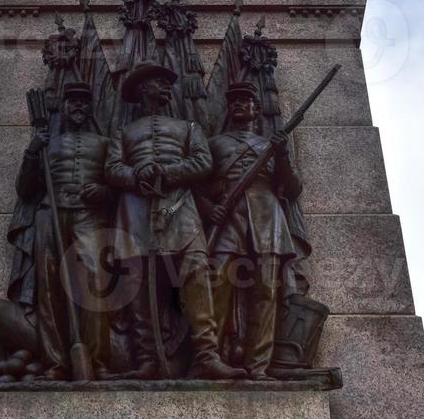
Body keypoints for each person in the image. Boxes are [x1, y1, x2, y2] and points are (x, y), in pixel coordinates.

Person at [105, 63, 244, 379]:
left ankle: (207, 355)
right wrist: (135, 174)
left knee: (196, 274)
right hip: (135, 211)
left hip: (180, 209)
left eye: (169, 83)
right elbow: (112, 169)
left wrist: (167, 173)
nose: (167, 87)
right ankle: (147, 359)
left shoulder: (188, 127)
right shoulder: (123, 133)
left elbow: (203, 161)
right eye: (159, 82)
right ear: (142, 88)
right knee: (138, 285)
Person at [199, 82, 302, 379]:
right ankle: (211, 360)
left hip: (267, 219)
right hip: (229, 218)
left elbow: (292, 190)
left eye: (246, 101)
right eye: (234, 101)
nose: (240, 105)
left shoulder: (271, 145)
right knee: (217, 282)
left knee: (266, 291)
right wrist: (209, 209)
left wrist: (281, 155)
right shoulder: (215, 144)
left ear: (257, 109)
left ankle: (258, 367)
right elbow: (197, 187)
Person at [14, 82, 114, 379]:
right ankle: (55, 362)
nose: (79, 107)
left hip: (89, 216)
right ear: (65, 108)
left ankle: (96, 361)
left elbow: (118, 184)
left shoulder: (104, 143)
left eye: (84, 102)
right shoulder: (47, 145)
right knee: (49, 288)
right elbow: (25, 189)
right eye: (73, 103)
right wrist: (32, 152)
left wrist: (105, 191)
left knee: (96, 281)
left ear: (91, 107)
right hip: (51, 214)